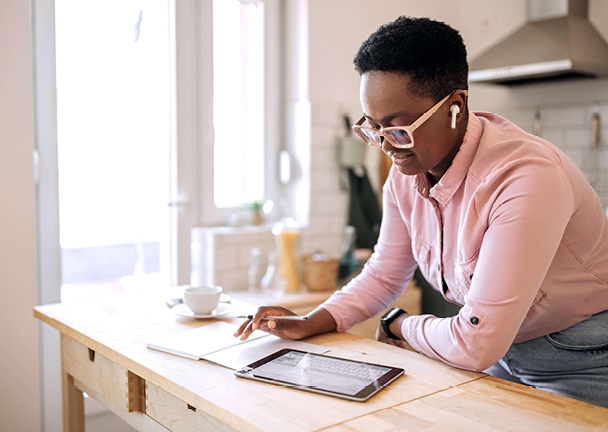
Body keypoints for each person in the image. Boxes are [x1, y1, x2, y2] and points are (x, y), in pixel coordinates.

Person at [233, 16, 608, 408]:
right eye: (374, 129)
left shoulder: (525, 177)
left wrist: (401, 325)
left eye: (398, 129)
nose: (387, 146)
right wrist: (313, 321)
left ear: (455, 107)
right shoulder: (405, 175)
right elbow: (385, 274)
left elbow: (476, 343)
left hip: (582, 359)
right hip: (502, 354)